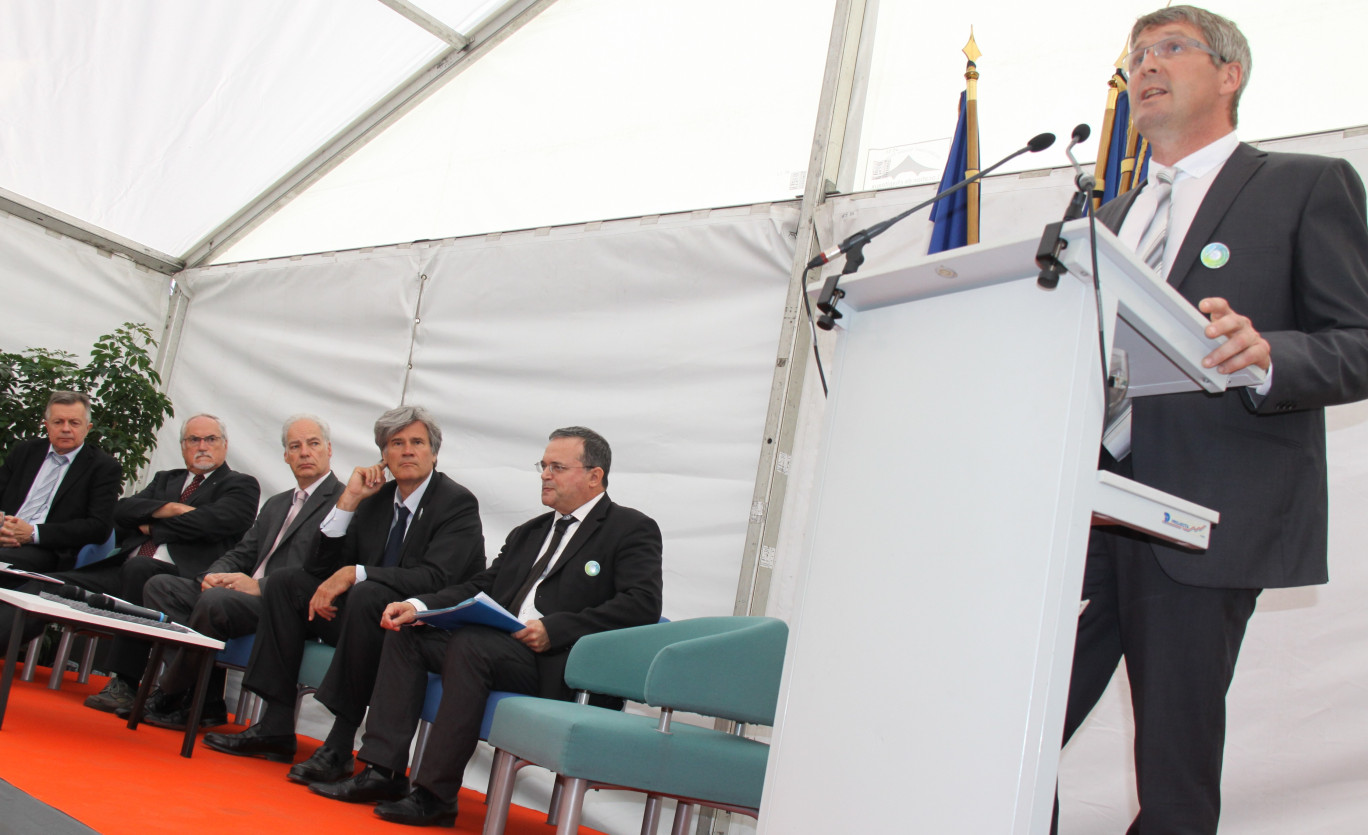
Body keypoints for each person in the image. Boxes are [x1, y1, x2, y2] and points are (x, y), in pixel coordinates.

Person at [1059, 7, 1368, 833]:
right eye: (1135, 56)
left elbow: (1358, 343)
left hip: (1202, 518)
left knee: (1172, 777)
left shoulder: (1307, 185)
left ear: (1228, 74)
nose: (1144, 67)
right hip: (1086, 513)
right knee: (998, 722)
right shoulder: (1102, 220)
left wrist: (1265, 353)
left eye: (1168, 49)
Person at [309, 426, 663, 828]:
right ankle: (382, 772)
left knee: (472, 645)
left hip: (560, 665)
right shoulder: (529, 532)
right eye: (543, 466)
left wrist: (556, 628)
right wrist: (417, 606)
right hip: (501, 650)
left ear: (594, 476)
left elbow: (642, 605)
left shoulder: (630, 528)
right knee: (408, 633)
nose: (545, 475)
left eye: (557, 467)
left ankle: (435, 795)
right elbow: (482, 587)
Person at [203, 405, 485, 787]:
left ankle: (338, 745)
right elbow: (318, 570)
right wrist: (348, 501)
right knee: (287, 584)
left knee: (366, 593)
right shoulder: (376, 498)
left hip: (419, 626)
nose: (406, 451)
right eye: (395, 443)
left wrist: (355, 572)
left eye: (417, 443)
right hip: (361, 618)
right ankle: (275, 725)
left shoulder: (456, 502)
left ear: (434, 453)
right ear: (382, 455)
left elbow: (438, 577)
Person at [131, 414, 344, 730]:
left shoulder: (342, 504)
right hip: (238, 592)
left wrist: (256, 586)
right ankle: (204, 701)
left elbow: (322, 569)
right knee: (160, 586)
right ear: (285, 455)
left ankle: (170, 692)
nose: (304, 453)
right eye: (295, 446)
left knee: (216, 603)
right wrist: (214, 574)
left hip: (283, 602)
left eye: (313, 444)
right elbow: (243, 552)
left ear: (328, 450)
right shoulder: (277, 503)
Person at [74, 413, 261, 714]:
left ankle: (124, 682)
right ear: (183, 446)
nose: (202, 446)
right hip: (126, 565)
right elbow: (122, 511)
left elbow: (211, 522)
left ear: (224, 445)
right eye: (193, 440)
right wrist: (171, 507)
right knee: (54, 583)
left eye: (210, 439)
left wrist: (151, 525)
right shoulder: (166, 480)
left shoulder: (240, 485)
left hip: (183, 576)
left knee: (140, 571)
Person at [0, 391, 121, 574]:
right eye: (58, 422)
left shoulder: (103, 467)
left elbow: (99, 527)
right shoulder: (25, 452)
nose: (66, 429)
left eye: (74, 423)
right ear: (47, 426)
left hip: (47, 549)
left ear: (87, 428)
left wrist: (32, 534)